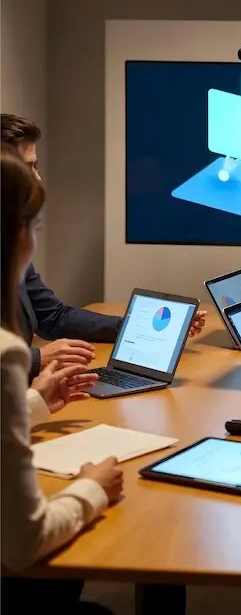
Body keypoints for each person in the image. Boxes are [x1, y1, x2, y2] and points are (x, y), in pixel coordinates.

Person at [1, 150, 125, 613]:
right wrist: (93, 487)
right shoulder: (6, 355)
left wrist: (33, 404)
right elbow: (23, 542)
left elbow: (54, 315)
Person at [1, 113, 207, 382]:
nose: (37, 179)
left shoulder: (14, 246)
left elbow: (54, 317)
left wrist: (139, 329)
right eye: (26, 168)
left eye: (36, 166)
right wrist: (36, 359)